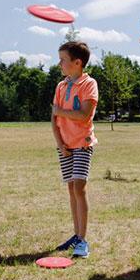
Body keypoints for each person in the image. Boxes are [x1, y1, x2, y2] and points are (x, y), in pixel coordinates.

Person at [51, 41, 99, 258]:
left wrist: (61, 110)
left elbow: (84, 115)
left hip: (82, 143)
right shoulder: (61, 86)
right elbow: (53, 117)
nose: (59, 63)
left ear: (77, 62)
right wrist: (60, 143)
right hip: (65, 145)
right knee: (71, 190)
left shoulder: (89, 84)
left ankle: (83, 239)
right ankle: (76, 234)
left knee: (80, 188)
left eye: (63, 60)